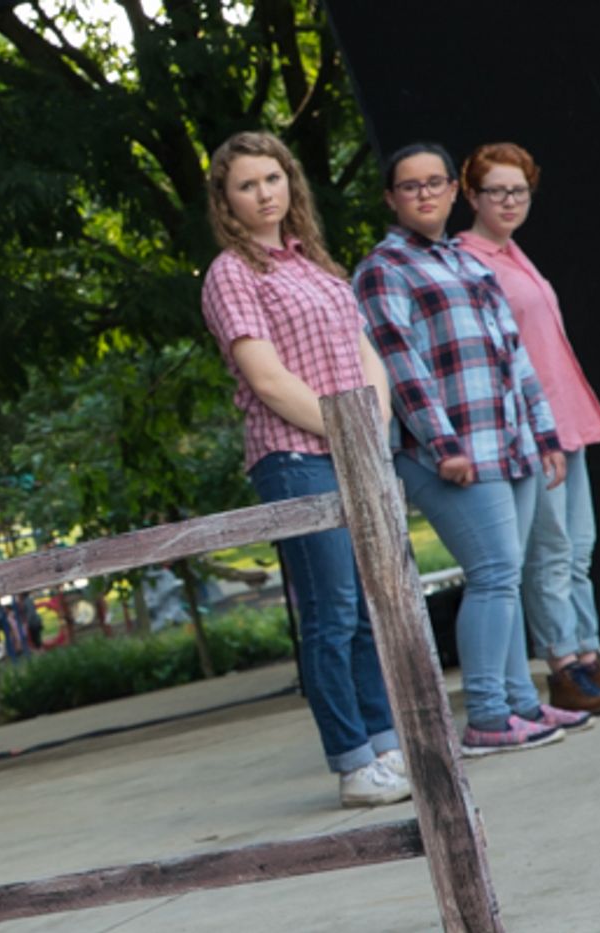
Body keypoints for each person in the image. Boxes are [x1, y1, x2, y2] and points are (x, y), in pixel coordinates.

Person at [353, 142, 591, 757]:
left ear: (453, 191)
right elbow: (400, 365)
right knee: (492, 574)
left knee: (505, 577)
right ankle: (486, 715)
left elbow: (516, 358)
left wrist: (543, 435)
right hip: (451, 454)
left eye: (435, 182)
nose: (425, 194)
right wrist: (443, 445)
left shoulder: (467, 263)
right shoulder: (383, 268)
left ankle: (520, 704)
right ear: (391, 198)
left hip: (510, 445)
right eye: (411, 186)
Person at [201, 131, 410, 807]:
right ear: (226, 200)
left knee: (368, 608)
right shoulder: (232, 273)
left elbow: (363, 350)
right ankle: (353, 763)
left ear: (291, 181)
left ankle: (385, 745)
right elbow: (267, 379)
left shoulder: (315, 264)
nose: (264, 194)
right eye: (246, 185)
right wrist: (346, 432)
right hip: (294, 457)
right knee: (331, 610)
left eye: (273, 178)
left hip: (354, 449)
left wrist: (373, 424)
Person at [458, 142, 600, 713]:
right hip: (530, 426)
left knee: (579, 549)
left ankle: (589, 656)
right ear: (471, 196)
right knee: (549, 552)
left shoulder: (514, 253)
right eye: (496, 191)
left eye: (519, 191)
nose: (509, 201)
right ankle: (564, 669)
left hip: (566, 416)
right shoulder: (469, 261)